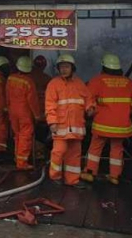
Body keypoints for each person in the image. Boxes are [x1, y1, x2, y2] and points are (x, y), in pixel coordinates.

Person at [81, 53, 132, 185]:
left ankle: (90, 173)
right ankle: (114, 176)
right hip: (122, 125)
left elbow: (87, 97)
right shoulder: (128, 82)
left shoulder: (97, 81)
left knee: (95, 147)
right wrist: (130, 110)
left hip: (102, 124)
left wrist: (91, 109)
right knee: (117, 148)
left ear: (103, 67)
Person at [45, 54, 95, 188]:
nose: (63, 70)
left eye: (66, 67)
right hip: (60, 126)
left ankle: (72, 180)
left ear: (72, 68)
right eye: (61, 67)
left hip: (77, 126)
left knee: (74, 155)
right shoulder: (53, 84)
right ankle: (54, 177)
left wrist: (90, 108)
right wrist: (52, 122)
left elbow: (88, 98)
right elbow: (50, 105)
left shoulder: (79, 84)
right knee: (58, 152)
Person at [6, 56, 41, 170]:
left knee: (17, 135)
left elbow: (7, 95)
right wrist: (37, 115)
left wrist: (8, 107)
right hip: (24, 112)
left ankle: (17, 157)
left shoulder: (10, 78)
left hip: (12, 111)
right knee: (25, 136)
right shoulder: (29, 82)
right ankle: (22, 163)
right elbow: (33, 101)